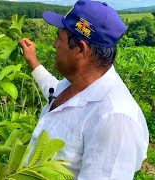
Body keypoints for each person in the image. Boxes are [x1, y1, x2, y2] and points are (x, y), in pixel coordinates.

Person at [19, 0, 149, 179]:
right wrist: (32, 61)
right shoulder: (77, 83)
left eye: (59, 38)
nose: (54, 45)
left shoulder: (115, 119)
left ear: (80, 49)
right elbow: (54, 92)